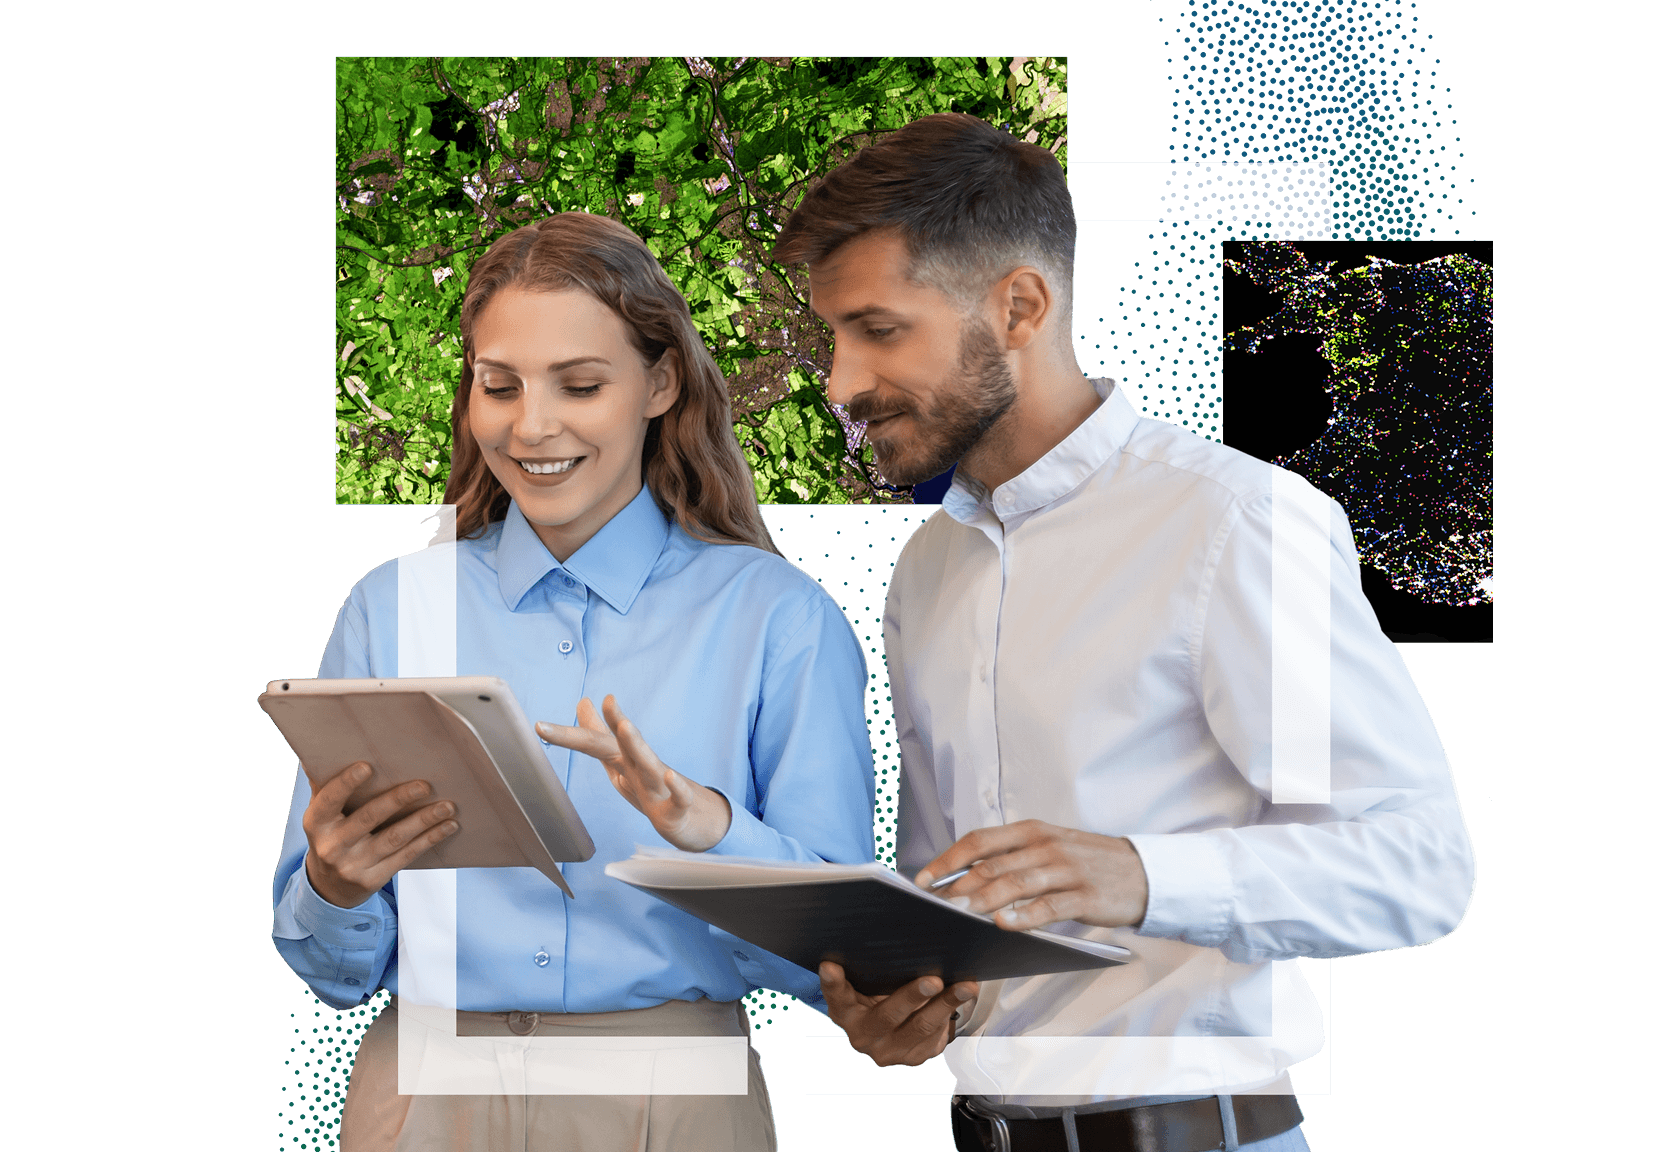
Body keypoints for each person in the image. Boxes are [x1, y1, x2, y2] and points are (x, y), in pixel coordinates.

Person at [770, 114, 1477, 1152]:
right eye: (835, 337)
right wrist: (920, 1003)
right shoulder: (928, 569)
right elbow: (961, 903)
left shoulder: (1233, 524)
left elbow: (1419, 862)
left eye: (878, 331)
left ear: (1019, 304)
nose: (838, 384)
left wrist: (1145, 878)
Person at [273, 211, 876, 1151]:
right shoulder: (388, 610)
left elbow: (840, 958)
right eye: (499, 386)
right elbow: (328, 966)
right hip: (421, 1091)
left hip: (677, 1102)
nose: (532, 425)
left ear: (661, 382)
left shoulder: (777, 617)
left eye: (581, 384)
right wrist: (334, 886)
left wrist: (711, 830)